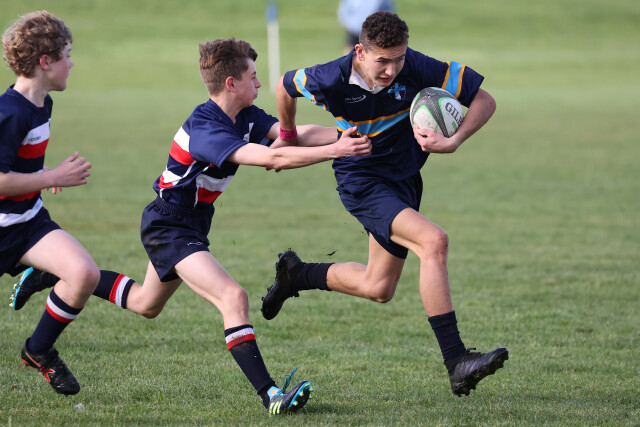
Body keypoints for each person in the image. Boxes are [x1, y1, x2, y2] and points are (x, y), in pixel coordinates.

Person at [11, 37, 371, 413]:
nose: (260, 83)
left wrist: (351, 133)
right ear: (231, 83)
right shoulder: (206, 129)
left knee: (145, 303)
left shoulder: (244, 114)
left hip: (190, 224)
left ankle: (56, 275)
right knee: (233, 297)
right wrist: (336, 151)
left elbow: (290, 135)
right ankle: (271, 396)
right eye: (253, 76)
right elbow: (272, 158)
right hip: (169, 226)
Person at [261, 11, 509, 397]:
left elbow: (484, 100)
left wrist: (453, 140)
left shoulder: (418, 66)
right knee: (433, 241)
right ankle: (457, 361)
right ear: (359, 52)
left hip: (404, 180)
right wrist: (289, 135)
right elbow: (283, 86)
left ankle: (297, 275)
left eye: (399, 59)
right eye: (383, 61)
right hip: (362, 180)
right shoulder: (331, 78)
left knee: (378, 287)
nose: (392, 70)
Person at [1, 11, 96, 395]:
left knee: (84, 274)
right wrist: (51, 177)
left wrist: (42, 173)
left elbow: (18, 164)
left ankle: (38, 349)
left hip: (27, 222)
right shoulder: (10, 113)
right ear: (45, 61)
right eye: (66, 56)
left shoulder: (43, 104)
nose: (71, 64)